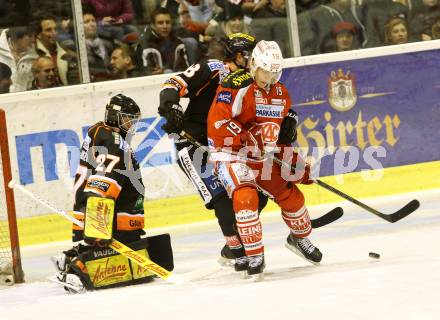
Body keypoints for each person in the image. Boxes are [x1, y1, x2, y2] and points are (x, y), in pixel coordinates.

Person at [207, 40, 322, 278]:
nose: (269, 77)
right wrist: (246, 137)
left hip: (260, 156)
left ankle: (299, 239)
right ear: (253, 65)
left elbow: (276, 142)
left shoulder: (280, 94)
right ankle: (254, 253)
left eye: (275, 72)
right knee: (245, 195)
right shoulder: (235, 85)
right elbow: (217, 123)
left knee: (291, 196)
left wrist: (296, 165)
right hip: (230, 153)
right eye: (265, 71)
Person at [158, 33, 268, 270]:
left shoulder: (252, 80)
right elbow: (173, 84)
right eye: (253, 56)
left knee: (257, 194)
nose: (258, 61)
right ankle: (238, 253)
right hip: (193, 145)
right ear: (240, 56)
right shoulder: (213, 68)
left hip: (226, 147)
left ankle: (234, 245)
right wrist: (171, 107)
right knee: (223, 202)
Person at [52, 94, 173, 293]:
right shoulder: (115, 141)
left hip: (106, 212)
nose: (131, 125)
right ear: (114, 116)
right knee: (137, 262)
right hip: (112, 218)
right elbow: (103, 182)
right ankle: (79, 270)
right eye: (127, 119)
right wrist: (98, 226)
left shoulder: (100, 132)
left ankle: (71, 256)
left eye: (134, 121)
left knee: (157, 253)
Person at [136, 7, 189, 75]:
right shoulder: (145, 44)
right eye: (160, 23)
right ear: (153, 25)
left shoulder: (178, 42)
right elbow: (143, 71)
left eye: (168, 22)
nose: (165, 26)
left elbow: (185, 69)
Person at [0, 26, 38, 92]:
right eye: (30, 36)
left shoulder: (33, 56)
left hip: (22, 98)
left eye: (34, 36)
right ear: (16, 37)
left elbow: (30, 83)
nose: (33, 40)